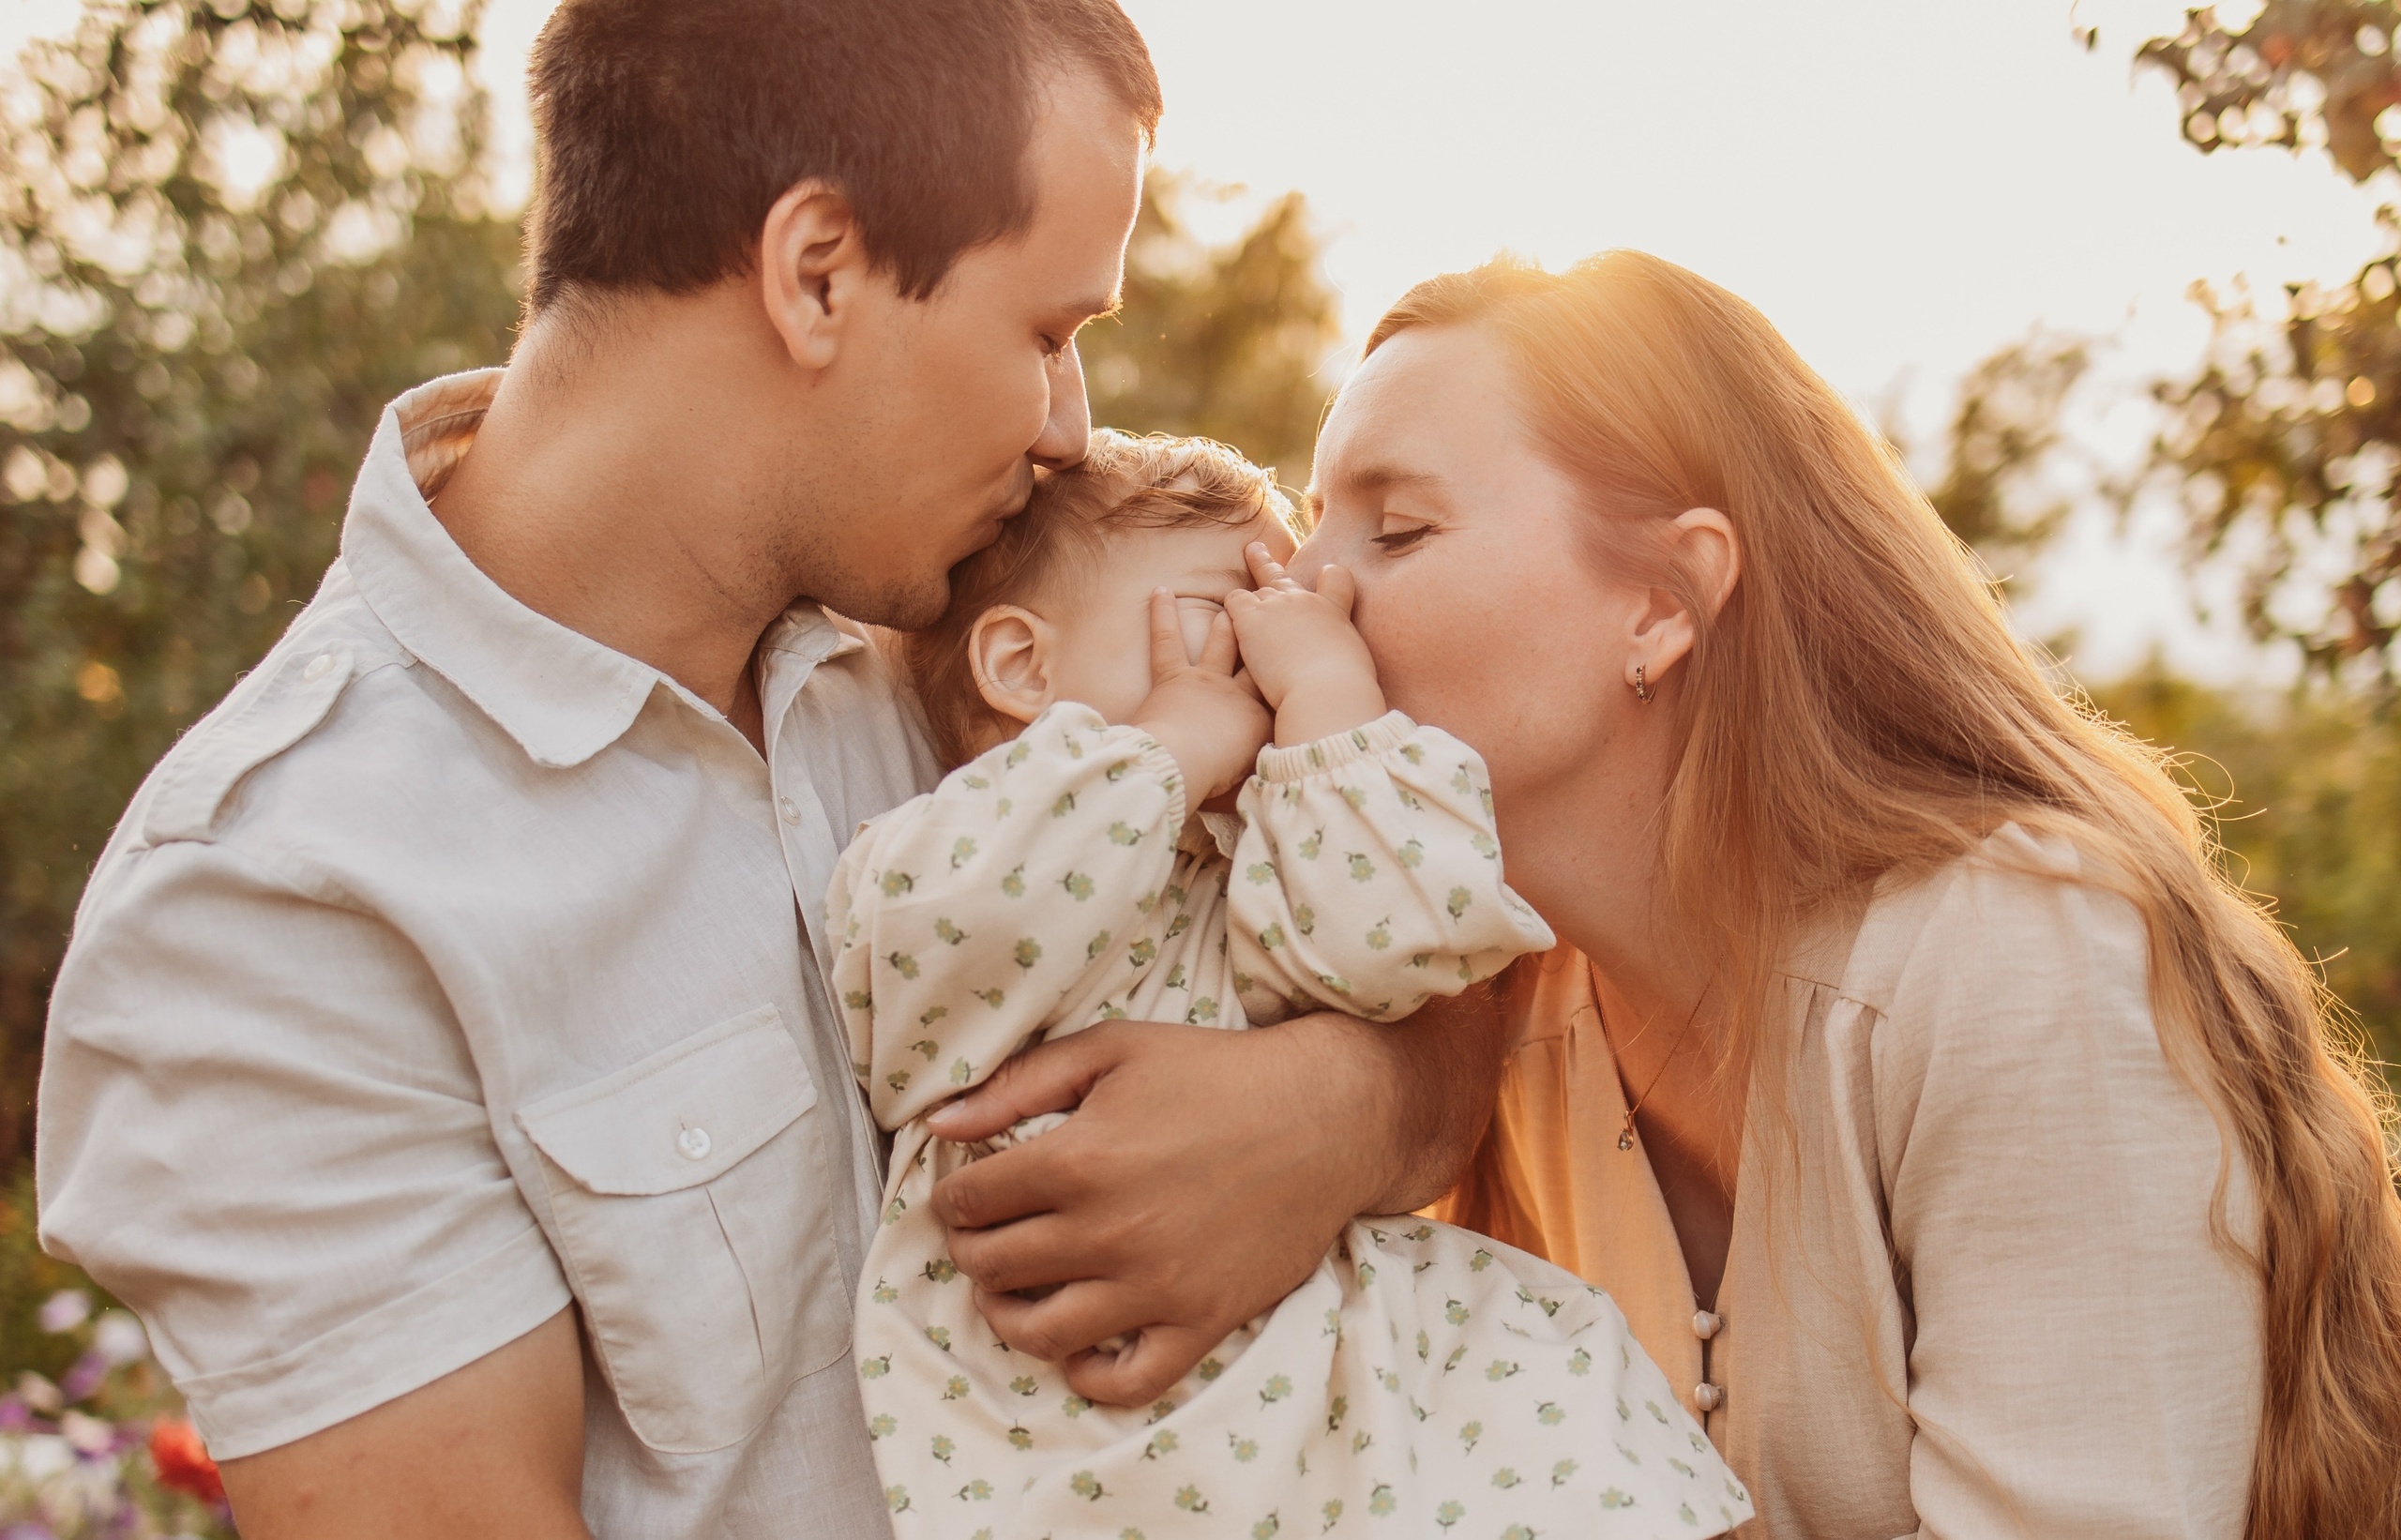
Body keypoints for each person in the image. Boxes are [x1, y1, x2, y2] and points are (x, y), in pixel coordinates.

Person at [33, 6, 1510, 1535]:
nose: (1072, 427)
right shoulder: (270, 907)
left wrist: (1325, 1114)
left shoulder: (1007, 625)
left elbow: (1439, 940)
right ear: (816, 274)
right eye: (1049, 334)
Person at [1276, 249, 2401, 1540]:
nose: (1303, 586)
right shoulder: (1501, 1026)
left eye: (1397, 527)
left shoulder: (2012, 960)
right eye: (1310, 518)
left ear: (1664, 597)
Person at [833, 430, 1746, 1538]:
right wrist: (1171, 742)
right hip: (1094, 1434)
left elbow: (1400, 941)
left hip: (1333, 1377)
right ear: (1022, 667)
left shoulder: (1241, 878)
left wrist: (1324, 691)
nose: (1284, 636)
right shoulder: (938, 852)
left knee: (1557, 1383)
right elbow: (954, 924)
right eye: (1237, 610)